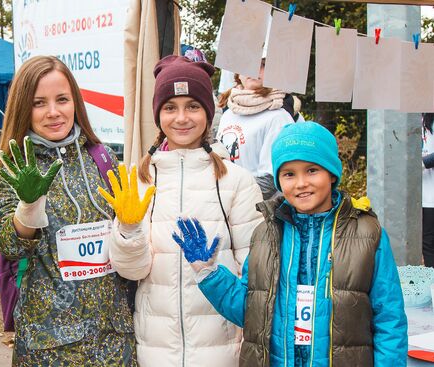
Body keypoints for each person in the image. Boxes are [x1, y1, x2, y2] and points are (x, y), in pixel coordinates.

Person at [176, 121, 407, 366]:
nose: (300, 183)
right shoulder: (266, 235)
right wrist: (209, 274)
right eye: (289, 174)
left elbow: (389, 319)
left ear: (331, 174)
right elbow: (252, 312)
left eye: (312, 170)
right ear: (279, 181)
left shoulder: (367, 234)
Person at [99, 55, 263, 366]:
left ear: (208, 112)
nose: (182, 117)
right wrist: (129, 231)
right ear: (158, 115)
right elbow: (131, 271)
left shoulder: (237, 182)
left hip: (223, 350)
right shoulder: (140, 181)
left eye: (193, 106)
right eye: (170, 107)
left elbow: (255, 275)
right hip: (156, 350)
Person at [0, 55, 136, 366]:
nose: (53, 112)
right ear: (23, 108)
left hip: (112, 340)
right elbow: (9, 246)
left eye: (62, 100)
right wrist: (28, 207)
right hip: (50, 344)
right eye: (39, 103)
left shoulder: (103, 157)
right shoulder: (16, 165)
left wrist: (132, 228)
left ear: (76, 103)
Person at [216, 59, 297, 200]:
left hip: (258, 210)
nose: (253, 69)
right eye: (248, 62)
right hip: (226, 204)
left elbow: (271, 180)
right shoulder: (229, 113)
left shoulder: (278, 116)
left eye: (263, 64)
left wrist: (233, 202)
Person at [422, 113, 434, 267]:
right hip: (422, 194)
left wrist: (423, 163)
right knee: (426, 242)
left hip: (431, 194)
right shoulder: (418, 119)